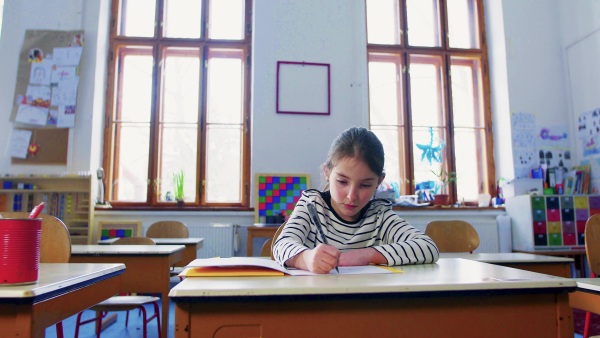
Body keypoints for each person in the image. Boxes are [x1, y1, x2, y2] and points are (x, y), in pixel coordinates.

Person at [272, 127, 439, 274]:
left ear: (379, 182)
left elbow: (428, 247)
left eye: (365, 185)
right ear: (327, 173)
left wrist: (366, 255)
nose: (352, 196)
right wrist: (305, 259)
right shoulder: (311, 205)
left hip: (365, 304)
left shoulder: (380, 215)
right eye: (342, 182)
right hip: (316, 302)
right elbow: (281, 246)